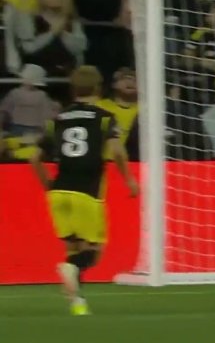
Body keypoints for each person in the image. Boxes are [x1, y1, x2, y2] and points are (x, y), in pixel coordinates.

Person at [29, 65, 139, 316]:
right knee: (93, 253)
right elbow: (119, 152)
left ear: (73, 89)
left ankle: (77, 304)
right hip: (86, 193)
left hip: (59, 192)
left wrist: (48, 185)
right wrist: (129, 181)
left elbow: (34, 157)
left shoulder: (56, 120)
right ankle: (72, 273)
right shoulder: (103, 117)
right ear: (98, 88)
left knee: (74, 250)